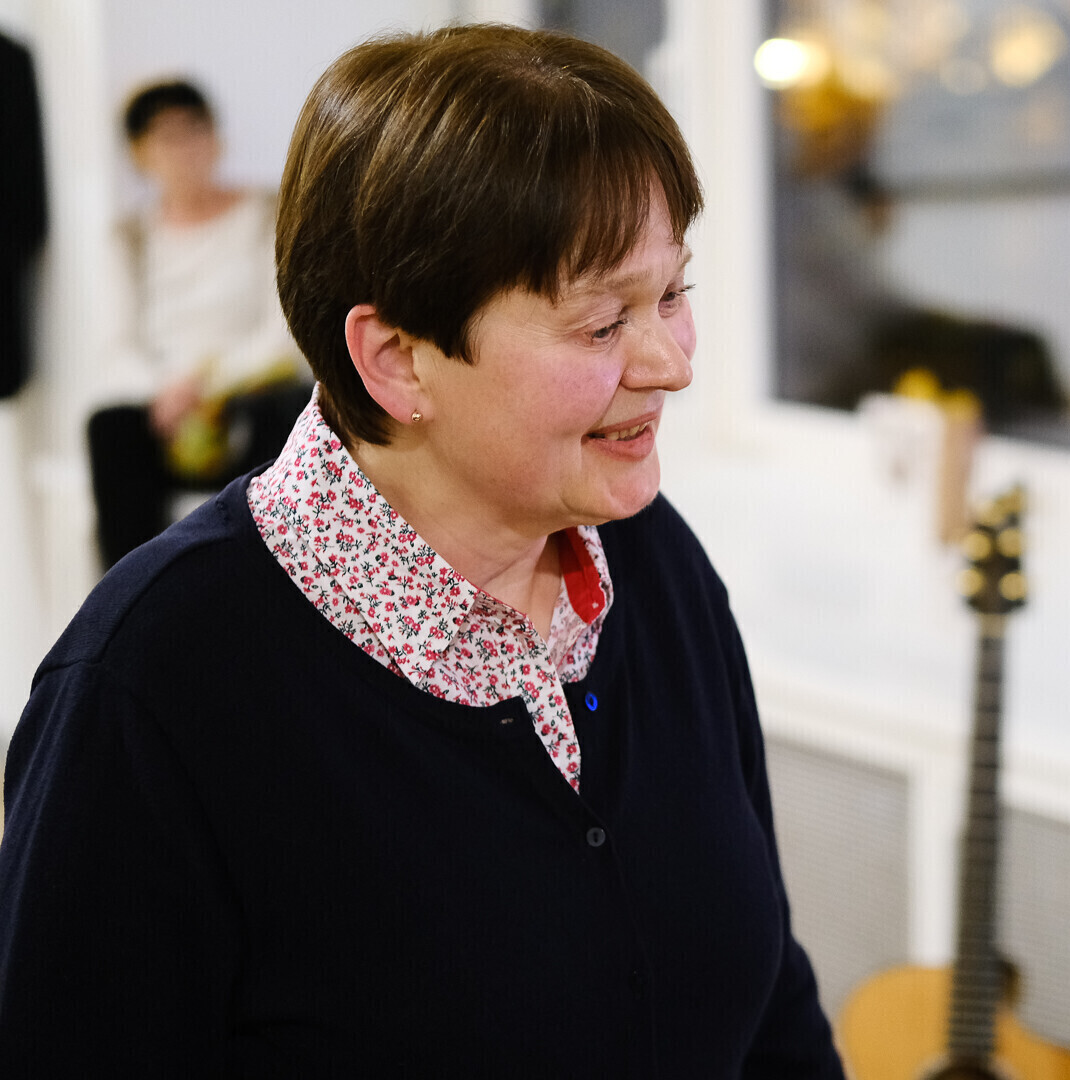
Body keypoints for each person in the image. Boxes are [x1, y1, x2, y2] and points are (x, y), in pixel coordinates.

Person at [0, 26, 845, 1077]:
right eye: (601, 324)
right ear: (397, 359)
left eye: (673, 294)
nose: (671, 363)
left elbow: (769, 1002)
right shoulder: (152, 685)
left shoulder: (656, 562)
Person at [87, 79, 307, 569]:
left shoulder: (268, 213)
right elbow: (117, 345)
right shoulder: (129, 237)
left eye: (193, 130)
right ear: (139, 154)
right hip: (164, 402)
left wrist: (206, 385)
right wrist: (167, 392)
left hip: (249, 386)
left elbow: (284, 330)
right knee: (111, 427)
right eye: (166, 137)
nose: (184, 149)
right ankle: (128, 590)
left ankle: (273, 581)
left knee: (282, 411)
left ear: (216, 137)